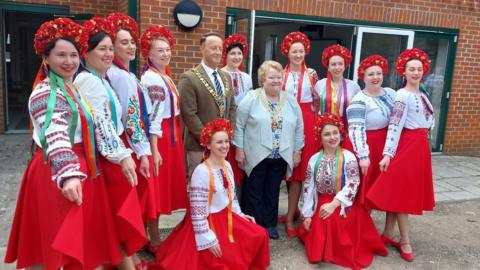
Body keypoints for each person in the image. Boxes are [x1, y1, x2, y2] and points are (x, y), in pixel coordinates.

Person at [4, 18, 123, 269]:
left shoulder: (73, 89)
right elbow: (54, 133)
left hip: (79, 169)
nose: (69, 61)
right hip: (54, 171)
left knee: (74, 242)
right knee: (50, 242)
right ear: (46, 59)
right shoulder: (46, 92)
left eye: (73, 55)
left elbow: (97, 126)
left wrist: (121, 157)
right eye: (61, 55)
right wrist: (68, 175)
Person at [74, 16, 147, 269]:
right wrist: (124, 156)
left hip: (110, 157)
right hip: (105, 159)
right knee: (115, 219)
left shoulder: (101, 79)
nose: (107, 54)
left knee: (115, 222)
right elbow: (102, 127)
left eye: (108, 48)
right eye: (101, 49)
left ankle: (124, 263)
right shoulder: (89, 81)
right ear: (87, 53)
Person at [155, 118, 270, 270]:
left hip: (226, 217)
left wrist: (240, 215)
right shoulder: (202, 172)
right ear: (208, 145)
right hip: (208, 223)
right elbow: (197, 213)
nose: (224, 146)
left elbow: (231, 197)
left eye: (226, 141)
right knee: (225, 260)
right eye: (219, 142)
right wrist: (208, 239)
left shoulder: (227, 165)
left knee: (260, 234)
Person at [367, 48, 435, 262]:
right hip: (407, 147)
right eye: (411, 69)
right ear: (403, 72)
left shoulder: (422, 93)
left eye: (419, 69)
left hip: (419, 147)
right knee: (402, 194)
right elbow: (395, 125)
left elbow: (428, 120)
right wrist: (387, 154)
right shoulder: (402, 95)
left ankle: (388, 233)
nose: (416, 72)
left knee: (400, 192)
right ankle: (405, 240)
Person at [297, 113, 387, 270]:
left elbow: (353, 184)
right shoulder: (314, 160)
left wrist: (334, 204)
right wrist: (307, 214)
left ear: (340, 133)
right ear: (320, 137)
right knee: (317, 221)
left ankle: (334, 251)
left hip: (345, 203)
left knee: (330, 220)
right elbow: (308, 188)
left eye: (335, 133)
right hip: (322, 201)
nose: (332, 137)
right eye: (326, 134)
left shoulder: (348, 156)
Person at [234, 60, 304, 239]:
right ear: (262, 79)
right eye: (271, 77)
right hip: (255, 154)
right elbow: (239, 125)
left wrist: (297, 151)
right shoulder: (251, 97)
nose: (275, 81)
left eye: (278, 77)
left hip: (280, 155)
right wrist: (239, 149)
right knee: (254, 191)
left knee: (272, 191)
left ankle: (270, 224)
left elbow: (299, 127)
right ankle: (255, 226)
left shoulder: (290, 101)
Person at [139, 24, 188, 253]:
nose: (165, 54)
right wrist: (155, 150)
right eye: (160, 50)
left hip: (171, 136)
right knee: (156, 190)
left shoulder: (163, 75)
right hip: (162, 139)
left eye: (167, 49)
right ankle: (154, 238)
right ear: (148, 53)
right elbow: (155, 118)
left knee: (161, 189)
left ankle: (154, 235)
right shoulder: (153, 79)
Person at [106, 13, 157, 223]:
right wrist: (144, 152)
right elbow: (131, 116)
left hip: (129, 139)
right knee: (133, 196)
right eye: (124, 43)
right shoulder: (119, 75)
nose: (131, 47)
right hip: (131, 142)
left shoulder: (123, 73)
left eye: (132, 42)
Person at [179, 31, 236, 180]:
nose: (218, 52)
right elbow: (189, 113)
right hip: (200, 147)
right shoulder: (189, 78)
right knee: (200, 189)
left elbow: (232, 107)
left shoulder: (226, 77)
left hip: (222, 146)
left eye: (220, 48)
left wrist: (225, 136)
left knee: (219, 188)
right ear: (202, 49)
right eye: (213, 48)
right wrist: (209, 139)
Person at [279, 31, 319, 237]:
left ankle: (291, 216)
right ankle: (291, 210)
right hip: (286, 120)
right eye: (294, 51)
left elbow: (317, 101)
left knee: (301, 172)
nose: (297, 54)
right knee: (289, 168)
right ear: (287, 52)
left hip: (308, 121)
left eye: (301, 51)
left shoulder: (312, 74)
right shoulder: (281, 73)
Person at [346, 55, 396, 209]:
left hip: (384, 145)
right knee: (363, 187)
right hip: (366, 145)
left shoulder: (390, 93)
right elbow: (356, 130)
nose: (376, 77)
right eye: (371, 74)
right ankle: (358, 224)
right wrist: (363, 156)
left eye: (378, 73)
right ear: (363, 77)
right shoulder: (359, 100)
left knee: (380, 188)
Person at [315, 44, 361, 152]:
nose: (337, 67)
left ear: (345, 65)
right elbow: (315, 107)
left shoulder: (353, 86)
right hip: (324, 130)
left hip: (345, 130)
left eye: (340, 64)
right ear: (328, 66)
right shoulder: (320, 85)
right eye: (333, 64)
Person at [221, 33, 253, 185]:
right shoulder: (220, 74)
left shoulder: (246, 77)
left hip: (243, 124)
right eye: (232, 53)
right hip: (226, 121)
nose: (236, 57)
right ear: (226, 55)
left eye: (239, 53)